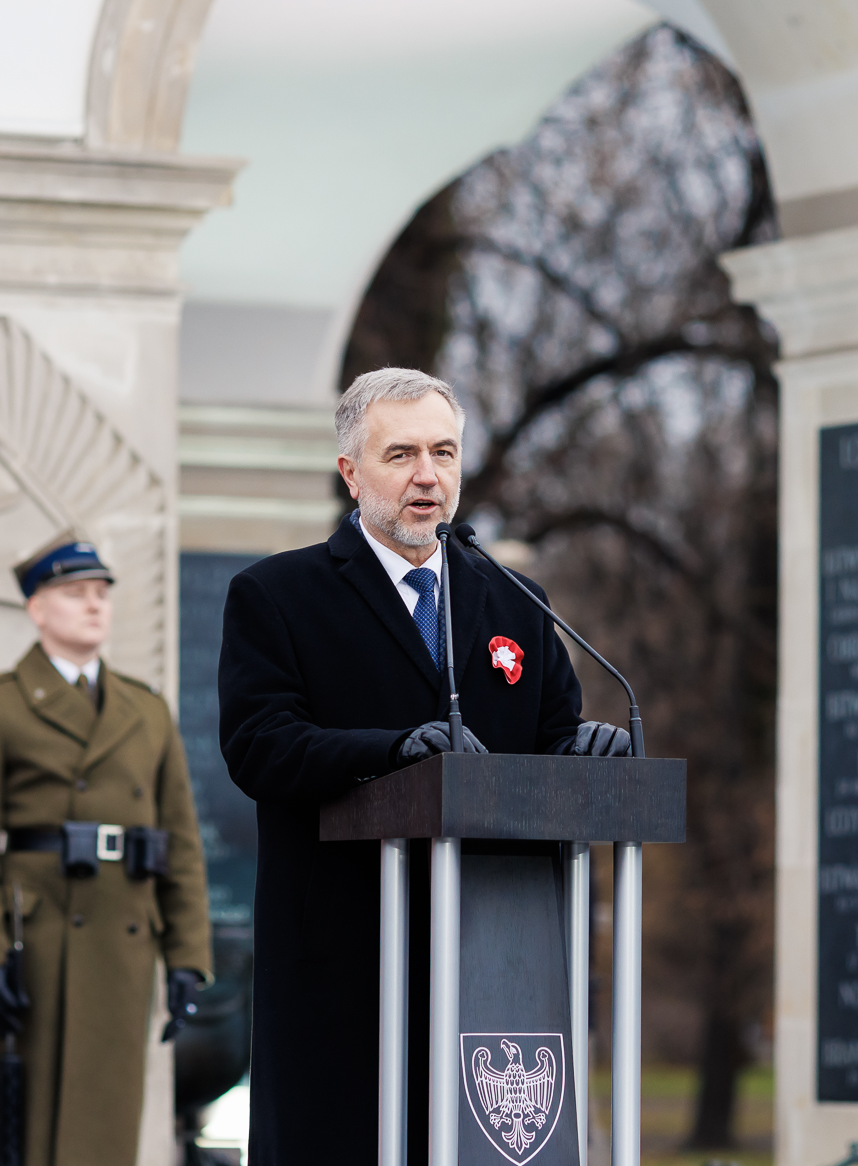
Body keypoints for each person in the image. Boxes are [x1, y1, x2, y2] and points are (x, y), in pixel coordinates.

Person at [218, 368, 633, 1166]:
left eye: (444, 452)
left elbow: (544, 738)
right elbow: (259, 744)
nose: (427, 476)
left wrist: (580, 755)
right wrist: (392, 751)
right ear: (351, 471)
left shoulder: (515, 599)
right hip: (345, 965)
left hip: (494, 970)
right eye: (401, 454)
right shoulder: (278, 594)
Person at [0, 534, 212, 1166]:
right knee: (10, 1133)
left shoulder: (145, 710)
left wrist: (186, 959)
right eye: (74, 593)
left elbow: (181, 843)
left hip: (123, 944)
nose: (94, 606)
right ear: (37, 608)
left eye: (101, 593)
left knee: (102, 1131)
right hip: (31, 947)